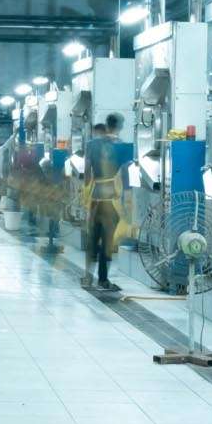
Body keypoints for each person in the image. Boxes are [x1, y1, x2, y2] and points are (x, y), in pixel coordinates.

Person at [81, 113, 127, 292]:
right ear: (119, 127)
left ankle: (87, 277)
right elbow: (126, 174)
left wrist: (86, 195)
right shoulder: (122, 146)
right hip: (112, 201)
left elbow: (86, 174)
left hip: (95, 198)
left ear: (107, 125)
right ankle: (103, 279)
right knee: (107, 242)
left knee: (92, 238)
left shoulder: (91, 145)